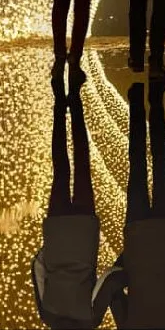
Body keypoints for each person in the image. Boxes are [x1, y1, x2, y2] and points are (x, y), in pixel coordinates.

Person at [95, 81, 165, 328]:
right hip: (138, 239)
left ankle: (156, 100)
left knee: (162, 167)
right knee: (138, 166)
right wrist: (128, 258)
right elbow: (114, 289)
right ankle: (137, 105)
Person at [32, 78, 104, 329]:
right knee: (61, 168)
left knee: (81, 164)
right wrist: (52, 250)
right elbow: (38, 268)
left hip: (83, 236)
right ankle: (61, 101)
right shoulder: (48, 316)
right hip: (59, 233)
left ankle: (74, 99)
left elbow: (108, 281)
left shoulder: (90, 319)